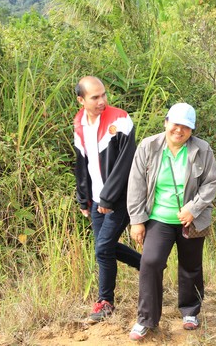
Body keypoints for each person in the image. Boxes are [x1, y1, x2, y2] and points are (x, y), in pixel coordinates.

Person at [126, 103, 216, 341]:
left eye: (186, 127)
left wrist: (193, 209)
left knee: (191, 266)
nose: (179, 130)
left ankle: (190, 311)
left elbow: (211, 183)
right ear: (166, 122)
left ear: (192, 129)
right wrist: (137, 220)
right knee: (150, 262)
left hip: (192, 219)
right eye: (175, 124)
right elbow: (136, 184)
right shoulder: (148, 146)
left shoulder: (202, 149)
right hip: (159, 218)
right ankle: (146, 319)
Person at [73, 76, 141, 323]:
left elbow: (126, 163)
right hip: (95, 200)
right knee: (105, 248)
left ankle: (105, 302)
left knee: (102, 248)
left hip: (119, 198)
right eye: (95, 97)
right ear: (81, 100)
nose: (102, 100)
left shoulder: (120, 119)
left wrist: (108, 198)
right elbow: (81, 162)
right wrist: (84, 199)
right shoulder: (79, 123)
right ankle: (148, 266)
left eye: (103, 94)